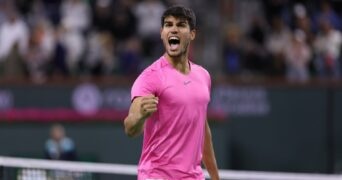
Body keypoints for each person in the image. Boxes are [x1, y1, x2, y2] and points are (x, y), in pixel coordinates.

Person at [124, 5, 219, 180]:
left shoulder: (203, 75)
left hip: (193, 176)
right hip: (156, 175)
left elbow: (202, 131)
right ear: (162, 33)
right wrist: (141, 117)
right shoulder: (149, 77)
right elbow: (130, 128)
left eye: (181, 25)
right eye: (168, 25)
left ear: (192, 34)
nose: (173, 29)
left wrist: (215, 176)